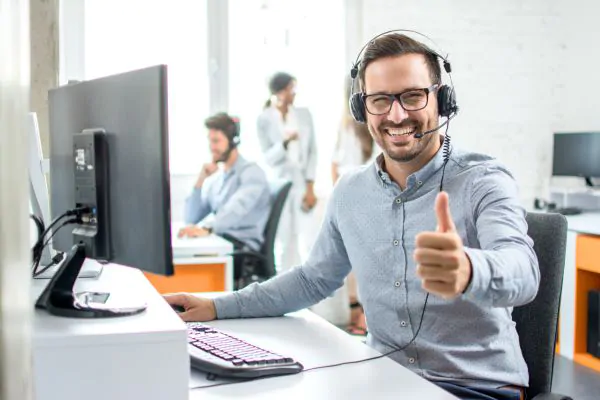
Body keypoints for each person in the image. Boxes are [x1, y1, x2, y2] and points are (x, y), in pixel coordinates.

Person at [166, 33, 539, 400]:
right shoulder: (351, 191)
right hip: (384, 380)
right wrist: (217, 306)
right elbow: (313, 280)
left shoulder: (482, 179)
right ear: (363, 109)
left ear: (441, 100)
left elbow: (523, 270)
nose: (396, 115)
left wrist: (469, 270)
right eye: (379, 100)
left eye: (412, 96)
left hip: (476, 388)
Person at [178, 112, 271, 284]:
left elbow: (237, 208)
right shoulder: (218, 179)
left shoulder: (252, 173)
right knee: (180, 258)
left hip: (241, 250)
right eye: (210, 140)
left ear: (233, 141)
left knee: (187, 266)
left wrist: (207, 228)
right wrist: (200, 180)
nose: (211, 147)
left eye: (216, 141)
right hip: (222, 243)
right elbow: (191, 218)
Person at [331, 77, 381, 334]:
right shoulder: (347, 126)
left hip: (367, 196)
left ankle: (360, 315)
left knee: (361, 259)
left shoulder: (367, 126)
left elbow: (335, 165)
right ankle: (359, 314)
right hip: (356, 195)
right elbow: (335, 164)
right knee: (356, 259)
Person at [255, 72, 318, 271]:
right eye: (292, 88)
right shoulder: (264, 119)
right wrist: (284, 142)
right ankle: (282, 284)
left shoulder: (304, 114)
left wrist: (310, 187)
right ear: (281, 92)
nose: (294, 93)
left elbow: (312, 152)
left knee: (305, 238)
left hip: (301, 183)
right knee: (283, 237)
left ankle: (305, 287)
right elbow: (267, 158)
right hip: (279, 184)